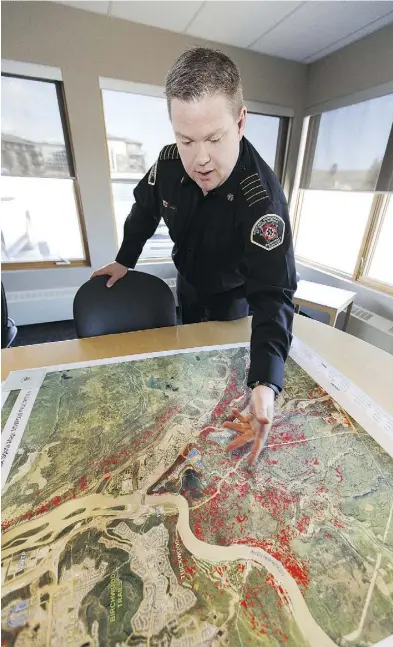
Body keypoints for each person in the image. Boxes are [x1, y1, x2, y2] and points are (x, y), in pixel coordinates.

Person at [91, 47, 297, 465]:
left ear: (240, 123)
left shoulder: (262, 202)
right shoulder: (168, 166)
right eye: (186, 139)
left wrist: (265, 382)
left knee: (226, 382)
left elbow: (273, 295)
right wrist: (125, 258)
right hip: (188, 285)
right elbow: (143, 211)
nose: (200, 159)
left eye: (214, 138)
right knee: (189, 367)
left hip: (234, 300)